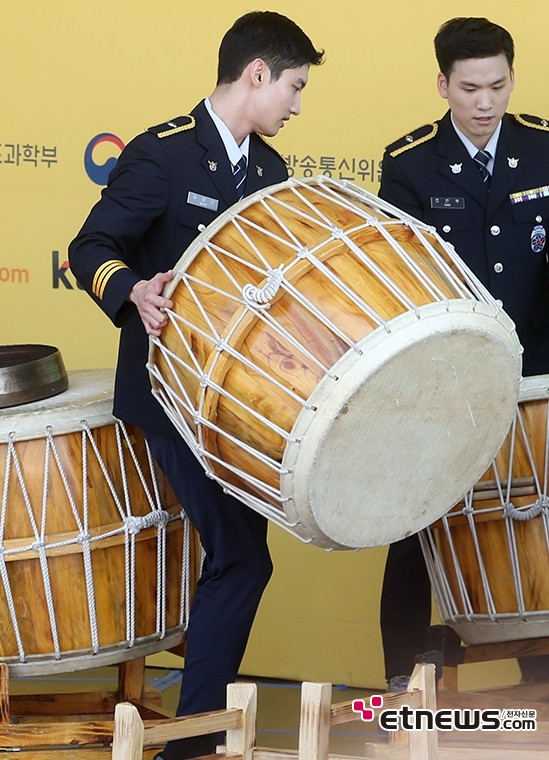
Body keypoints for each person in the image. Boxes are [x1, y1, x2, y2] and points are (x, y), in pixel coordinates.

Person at [69, 11, 324, 759]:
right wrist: (132, 293)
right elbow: (91, 246)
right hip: (166, 396)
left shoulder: (272, 175)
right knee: (242, 558)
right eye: (294, 86)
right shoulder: (164, 155)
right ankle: (193, 743)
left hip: (233, 404)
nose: (297, 106)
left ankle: (200, 733)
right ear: (256, 74)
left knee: (238, 558)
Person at [378, 16, 549, 690]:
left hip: (533, 373)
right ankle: (402, 684)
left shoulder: (541, 149)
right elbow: (402, 278)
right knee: (414, 528)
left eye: (497, 86)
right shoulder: (410, 162)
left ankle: (539, 687)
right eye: (469, 88)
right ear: (442, 85)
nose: (484, 103)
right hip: (445, 379)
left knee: (529, 526)